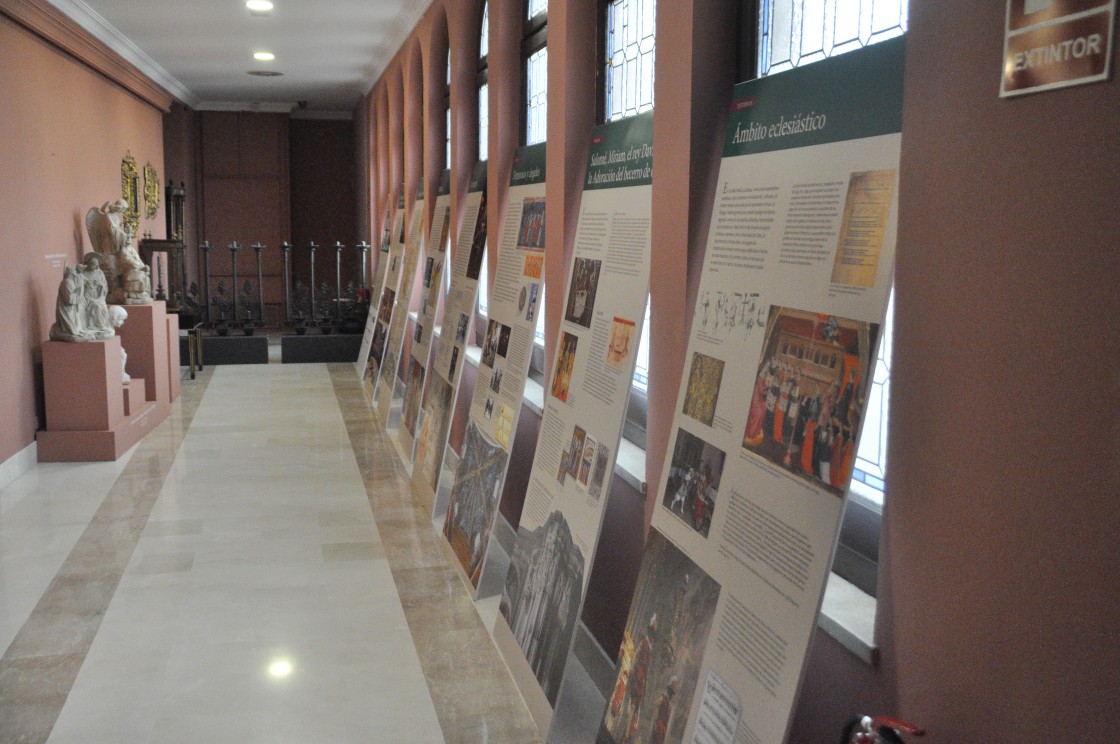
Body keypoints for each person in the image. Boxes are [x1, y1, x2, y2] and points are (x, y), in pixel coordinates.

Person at [79, 253, 114, 339]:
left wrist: (100, 285)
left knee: (100, 306)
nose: (93, 266)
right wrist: (87, 284)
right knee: (92, 305)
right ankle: (90, 325)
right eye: (91, 264)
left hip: (98, 295)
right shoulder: (83, 273)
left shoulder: (100, 273)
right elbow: (79, 283)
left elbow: (104, 285)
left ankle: (100, 325)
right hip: (86, 295)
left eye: (95, 265)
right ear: (88, 264)